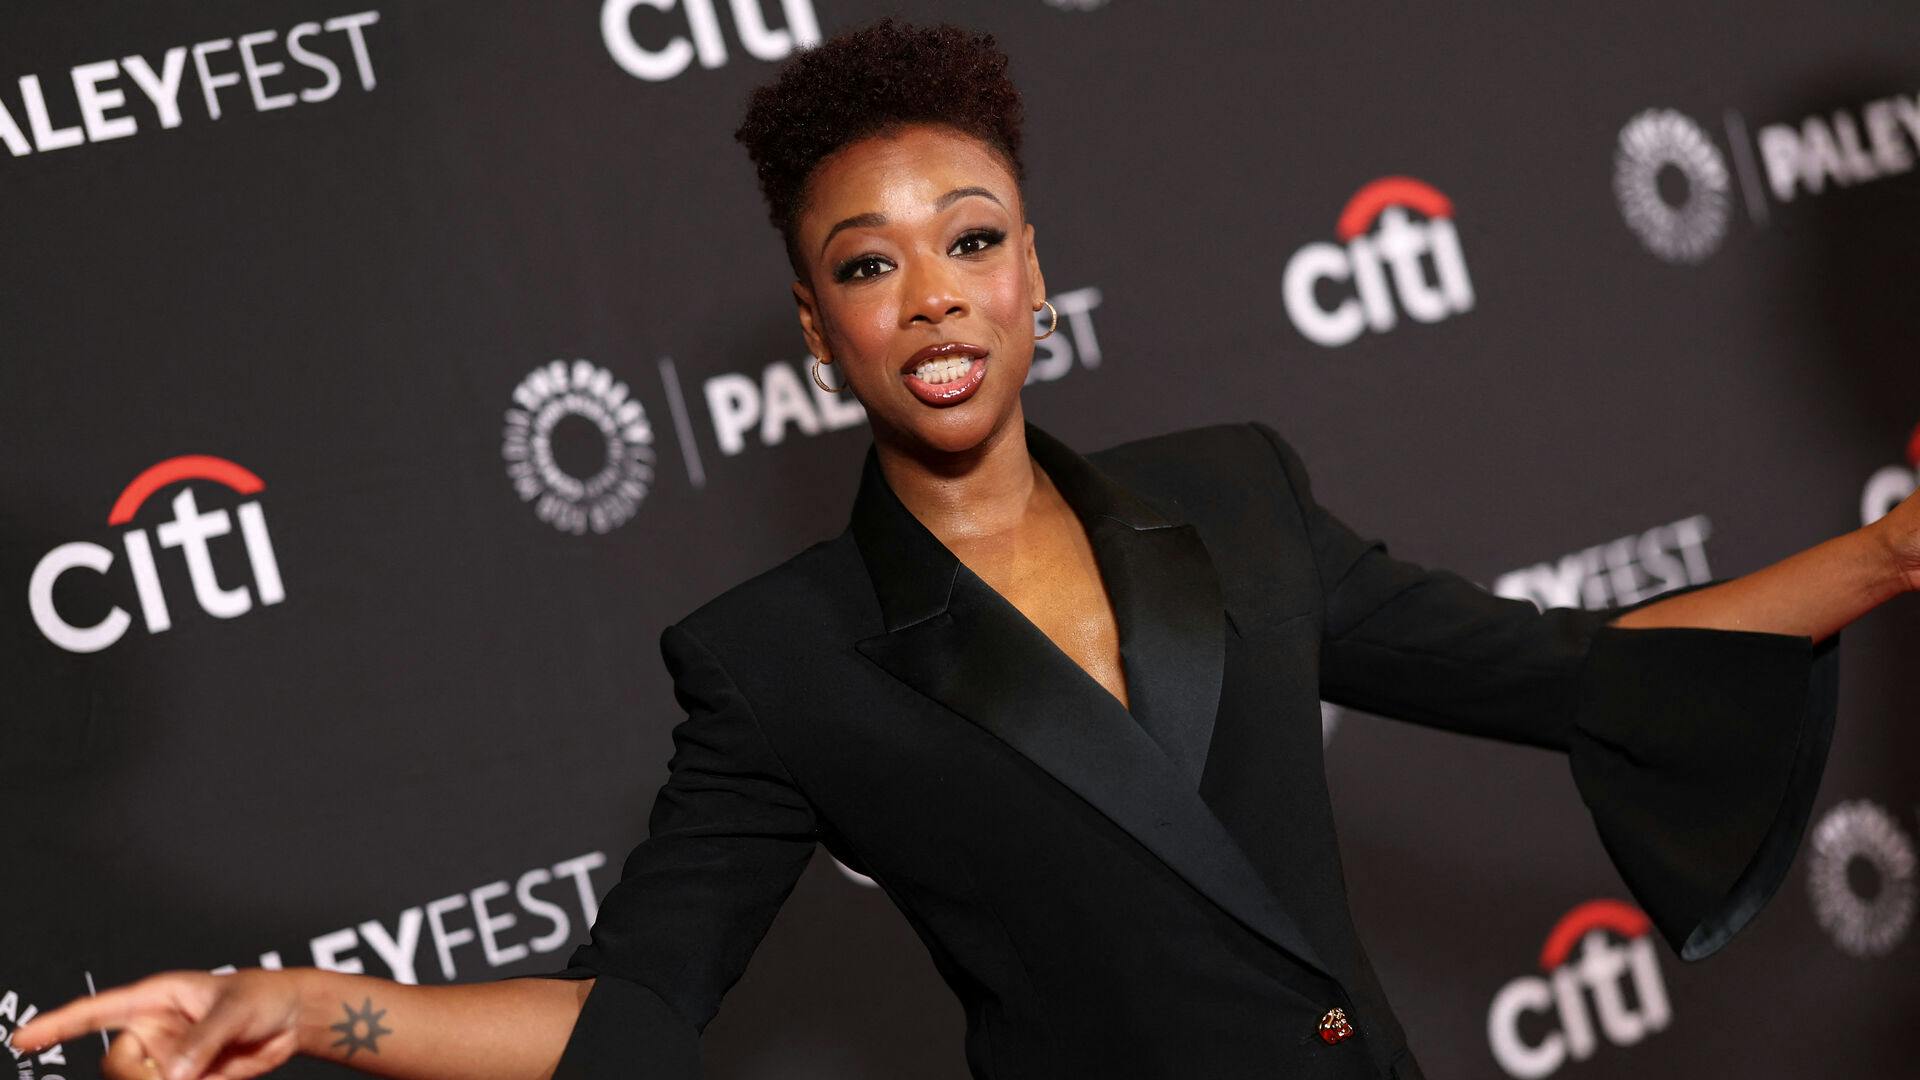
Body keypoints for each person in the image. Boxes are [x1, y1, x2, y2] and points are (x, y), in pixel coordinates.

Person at [16, 19, 1920, 1080]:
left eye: (972, 237)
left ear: (1037, 274)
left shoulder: (1235, 496)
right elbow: (633, 1009)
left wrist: (1891, 559)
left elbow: (1568, 674)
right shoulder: (780, 657)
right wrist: (309, 1011)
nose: (929, 294)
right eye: (868, 263)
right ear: (815, 326)